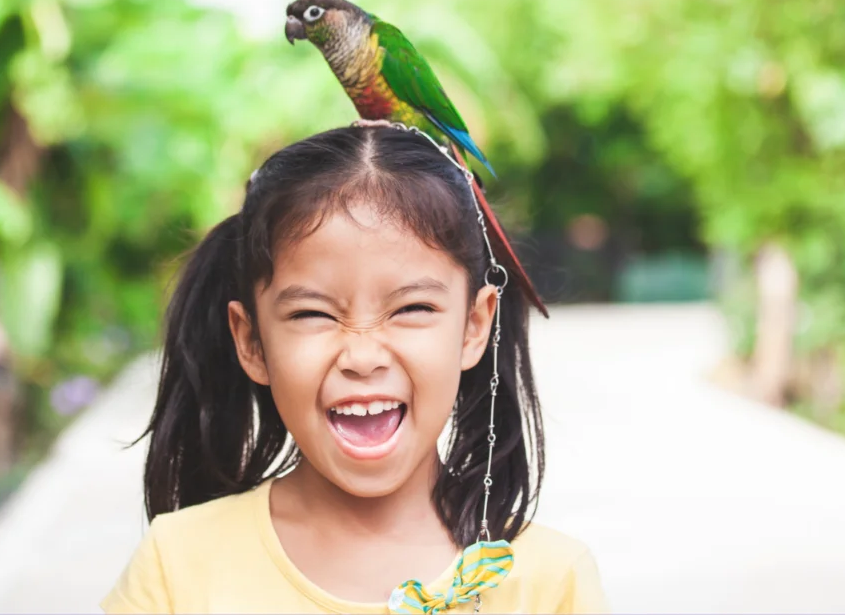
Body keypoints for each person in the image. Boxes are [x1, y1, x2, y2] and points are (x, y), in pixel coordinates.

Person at [101, 125, 609, 614]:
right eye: (313, 314)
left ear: (474, 326)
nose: (363, 358)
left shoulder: (548, 581)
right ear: (252, 341)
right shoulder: (177, 564)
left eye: (412, 309)